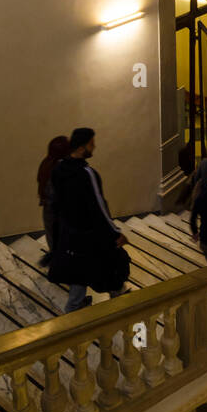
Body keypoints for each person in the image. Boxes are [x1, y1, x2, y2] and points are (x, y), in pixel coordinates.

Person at [49, 128, 130, 312]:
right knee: (111, 266)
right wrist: (115, 233)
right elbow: (99, 208)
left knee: (78, 277)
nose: (94, 147)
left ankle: (71, 316)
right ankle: (121, 302)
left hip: (70, 236)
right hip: (91, 236)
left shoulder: (58, 169)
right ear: (82, 146)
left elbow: (56, 204)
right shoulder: (87, 173)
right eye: (92, 143)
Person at [36, 135, 69, 262]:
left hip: (48, 209)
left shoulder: (46, 163)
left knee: (52, 239)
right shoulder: (61, 168)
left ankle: (55, 261)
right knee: (63, 241)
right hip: (59, 211)